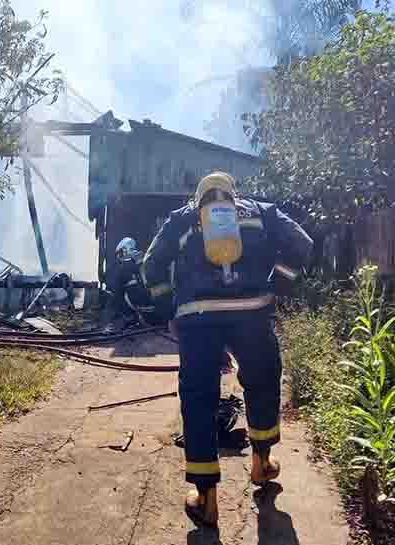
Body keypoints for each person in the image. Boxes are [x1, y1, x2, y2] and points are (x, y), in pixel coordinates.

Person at [141, 171, 312, 528]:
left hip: (197, 318)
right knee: (262, 383)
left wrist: (168, 310)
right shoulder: (261, 211)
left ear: (198, 197)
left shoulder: (181, 218)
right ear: (234, 194)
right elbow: (302, 243)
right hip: (252, 314)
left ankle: (206, 500)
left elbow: (151, 265)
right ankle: (262, 464)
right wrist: (279, 285)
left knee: (199, 400)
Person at [109, 237, 164, 326]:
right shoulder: (149, 260)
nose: (118, 257)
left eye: (120, 253)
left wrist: (129, 316)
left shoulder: (123, 268)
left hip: (146, 316)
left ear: (125, 250)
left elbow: (117, 295)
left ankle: (131, 318)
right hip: (164, 312)